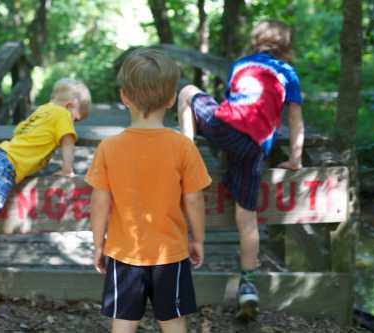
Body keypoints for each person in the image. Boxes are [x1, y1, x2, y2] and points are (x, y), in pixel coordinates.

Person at [177, 19, 304, 320]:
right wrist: (296, 159)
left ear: (255, 42)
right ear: (286, 47)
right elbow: (295, 120)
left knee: (187, 92)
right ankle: (248, 283)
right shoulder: (289, 74)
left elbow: (234, 102)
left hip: (227, 127)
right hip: (255, 147)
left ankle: (185, 156)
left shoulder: (242, 64)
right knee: (248, 219)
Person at [86, 48, 212, 333]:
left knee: (123, 323)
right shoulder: (183, 147)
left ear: (124, 97)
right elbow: (194, 199)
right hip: (171, 253)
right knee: (174, 321)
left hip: (124, 253)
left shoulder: (109, 148)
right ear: (171, 99)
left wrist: (97, 244)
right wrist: (199, 239)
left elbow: (99, 202)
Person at [0, 78, 92, 265]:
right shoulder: (62, 114)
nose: (73, 124)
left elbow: (20, 134)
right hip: (7, 163)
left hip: (1, 155)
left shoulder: (40, 112)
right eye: (76, 119)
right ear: (70, 105)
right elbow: (68, 143)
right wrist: (67, 170)